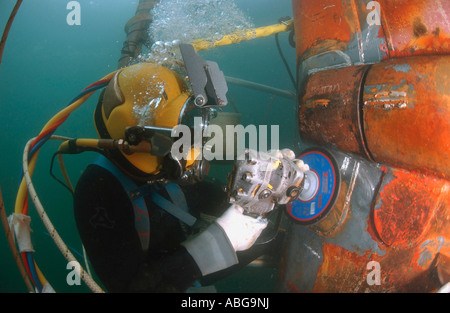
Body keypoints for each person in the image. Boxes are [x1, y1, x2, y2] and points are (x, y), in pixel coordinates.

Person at [73, 61, 282, 292]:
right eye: (181, 129)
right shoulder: (97, 191)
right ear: (138, 137)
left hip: (188, 275)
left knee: (276, 235)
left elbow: (224, 206)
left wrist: (265, 190)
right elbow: (130, 288)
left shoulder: (168, 166)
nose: (192, 144)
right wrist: (218, 241)